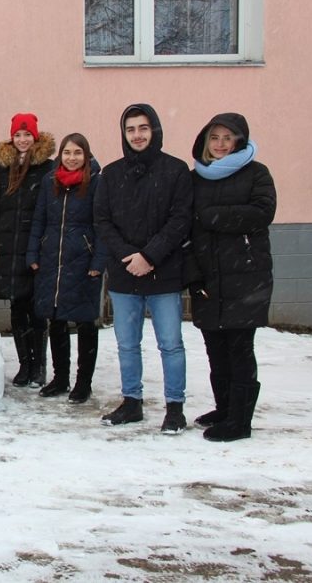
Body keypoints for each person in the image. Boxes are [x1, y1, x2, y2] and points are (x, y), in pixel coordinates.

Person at [94, 103, 193, 433]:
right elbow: (103, 221)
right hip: (125, 274)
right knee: (126, 344)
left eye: (143, 128)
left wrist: (149, 256)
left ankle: (174, 408)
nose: (137, 135)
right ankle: (131, 402)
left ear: (155, 130)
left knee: (170, 344)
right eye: (130, 129)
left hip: (163, 272)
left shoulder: (176, 171)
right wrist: (129, 256)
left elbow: (180, 220)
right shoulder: (110, 174)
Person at [185, 113, 276, 442]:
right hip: (209, 279)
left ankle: (240, 422)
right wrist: (194, 277)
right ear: (205, 141)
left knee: (239, 349)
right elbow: (187, 229)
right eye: (215, 138)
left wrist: (216, 216)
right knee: (215, 350)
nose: (221, 144)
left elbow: (262, 213)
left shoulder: (256, 174)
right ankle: (224, 409)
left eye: (227, 137)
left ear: (239, 140)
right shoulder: (196, 179)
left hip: (245, 278)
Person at [26, 133, 107, 403]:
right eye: (67, 153)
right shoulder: (50, 182)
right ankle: (60, 378)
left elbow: (102, 225)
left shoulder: (96, 182)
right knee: (56, 320)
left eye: (77, 153)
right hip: (52, 260)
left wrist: (98, 262)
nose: (72, 158)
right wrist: (33, 253)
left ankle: (83, 383)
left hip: (83, 262)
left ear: (86, 156)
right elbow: (39, 220)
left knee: (85, 322)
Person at [0, 113, 56, 388]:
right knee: (16, 308)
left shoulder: (46, 169)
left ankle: (39, 365)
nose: (23, 140)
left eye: (27, 135)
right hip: (7, 246)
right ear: (11, 138)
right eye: (18, 135)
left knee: (36, 310)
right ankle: (24, 365)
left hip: (34, 248)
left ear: (35, 137)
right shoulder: (2, 170)